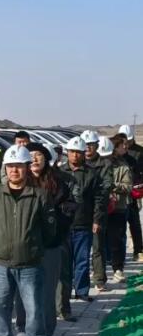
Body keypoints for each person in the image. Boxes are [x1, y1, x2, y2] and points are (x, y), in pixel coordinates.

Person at [0, 145, 57, 336]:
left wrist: (32, 246)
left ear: (27, 168)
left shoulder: (40, 196)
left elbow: (49, 229)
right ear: (5, 168)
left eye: (19, 166)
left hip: (30, 264)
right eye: (10, 166)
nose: (14, 170)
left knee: (33, 307)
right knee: (1, 305)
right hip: (1, 263)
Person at [15, 143, 74, 336]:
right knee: (23, 287)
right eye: (30, 155)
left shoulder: (57, 182)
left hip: (50, 244)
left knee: (48, 288)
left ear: (46, 158)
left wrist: (55, 228)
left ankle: (46, 329)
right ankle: (22, 327)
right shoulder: (19, 181)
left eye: (39, 155)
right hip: (24, 244)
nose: (34, 159)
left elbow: (68, 209)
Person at [62, 136, 105, 308]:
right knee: (65, 263)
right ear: (67, 152)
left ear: (83, 153)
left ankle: (82, 291)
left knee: (82, 260)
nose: (75, 155)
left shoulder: (91, 174)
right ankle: (64, 293)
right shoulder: (60, 172)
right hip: (63, 225)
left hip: (83, 223)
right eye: (72, 152)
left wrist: (96, 220)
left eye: (78, 152)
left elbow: (99, 199)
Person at [82, 130, 113, 291]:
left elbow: (106, 186)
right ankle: (79, 281)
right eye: (85, 145)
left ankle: (99, 279)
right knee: (79, 250)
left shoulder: (105, 164)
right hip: (80, 212)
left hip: (98, 210)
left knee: (97, 247)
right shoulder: (76, 163)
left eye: (91, 145)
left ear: (96, 146)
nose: (88, 148)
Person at [100, 136, 133, 284]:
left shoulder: (122, 167)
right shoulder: (95, 166)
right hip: (99, 209)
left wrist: (113, 186)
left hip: (117, 208)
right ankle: (99, 272)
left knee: (116, 240)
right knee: (99, 242)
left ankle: (118, 269)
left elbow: (128, 187)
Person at [118, 124, 143, 261]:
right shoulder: (116, 153)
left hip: (133, 193)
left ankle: (138, 250)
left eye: (129, 140)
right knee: (119, 226)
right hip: (119, 194)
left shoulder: (139, 152)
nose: (126, 143)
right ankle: (118, 254)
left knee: (134, 223)